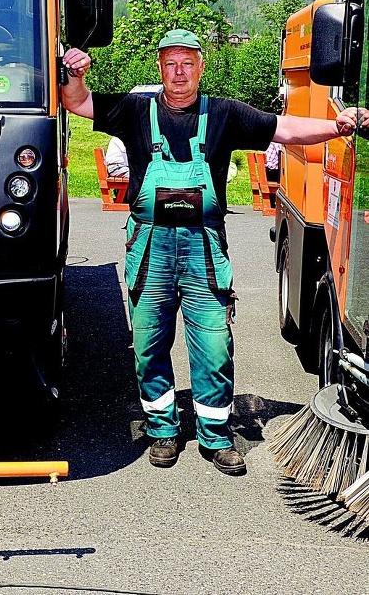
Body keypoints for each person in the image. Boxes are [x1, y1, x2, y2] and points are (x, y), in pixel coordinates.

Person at [61, 29, 361, 476]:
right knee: (148, 344)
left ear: (201, 66)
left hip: (203, 249)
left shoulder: (223, 113)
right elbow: (76, 102)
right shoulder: (134, 110)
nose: (178, 72)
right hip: (150, 247)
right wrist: (73, 74)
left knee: (214, 345)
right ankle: (162, 430)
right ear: (159, 68)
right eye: (170, 63)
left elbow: (285, 128)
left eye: (187, 63)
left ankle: (216, 436)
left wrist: (337, 125)